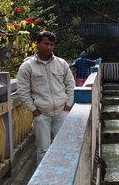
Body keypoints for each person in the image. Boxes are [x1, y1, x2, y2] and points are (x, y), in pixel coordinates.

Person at [17, 31, 75, 164]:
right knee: (43, 148)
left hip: (61, 111)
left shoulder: (61, 64)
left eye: (52, 44)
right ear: (37, 44)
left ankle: (62, 175)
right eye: (45, 44)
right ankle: (43, 181)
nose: (49, 47)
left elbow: (70, 85)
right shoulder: (27, 67)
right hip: (41, 113)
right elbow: (23, 91)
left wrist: (67, 106)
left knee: (64, 146)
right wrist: (34, 111)